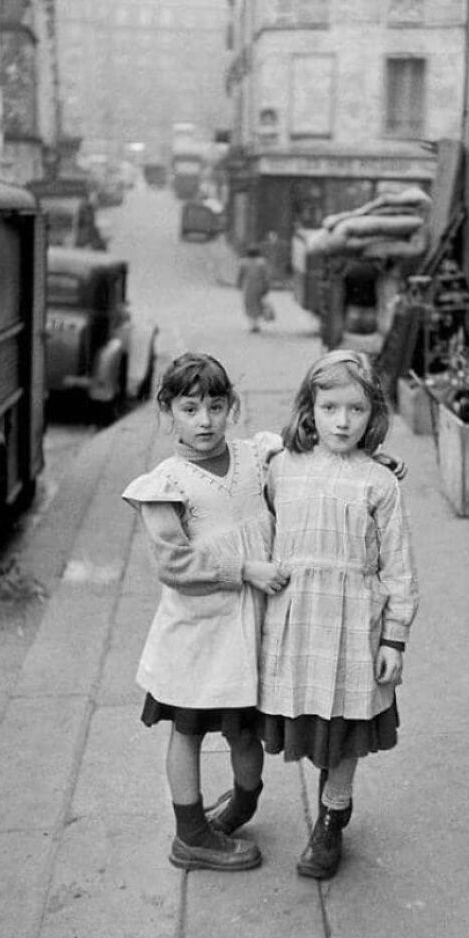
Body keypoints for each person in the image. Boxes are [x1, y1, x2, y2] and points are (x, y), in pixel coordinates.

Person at [122, 352, 289, 872]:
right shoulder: (166, 484)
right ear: (168, 409)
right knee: (189, 728)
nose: (205, 420)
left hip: (251, 627)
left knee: (245, 727)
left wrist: (374, 459)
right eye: (190, 408)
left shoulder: (254, 458)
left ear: (231, 408)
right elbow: (175, 563)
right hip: (197, 632)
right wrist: (245, 570)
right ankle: (191, 834)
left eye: (217, 406)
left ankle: (242, 801)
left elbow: (310, 457)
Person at [257, 349, 419, 880]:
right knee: (309, 723)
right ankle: (322, 792)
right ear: (310, 409)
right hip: (297, 622)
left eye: (356, 410)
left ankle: (332, 813)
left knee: (346, 724)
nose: (343, 421)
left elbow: (399, 566)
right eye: (329, 408)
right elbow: (242, 473)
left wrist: (394, 639)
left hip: (355, 625)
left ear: (374, 415)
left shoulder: (379, 483)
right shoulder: (280, 467)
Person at [237, 244, 271, 333]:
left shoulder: (244, 262)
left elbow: (240, 275)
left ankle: (252, 325)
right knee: (257, 305)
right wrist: (267, 286)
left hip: (248, 286)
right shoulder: (262, 263)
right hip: (259, 285)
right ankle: (256, 324)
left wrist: (239, 284)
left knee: (249, 305)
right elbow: (266, 276)